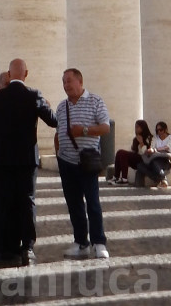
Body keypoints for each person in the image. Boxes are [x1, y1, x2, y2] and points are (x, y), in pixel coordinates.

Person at [0, 56, 58, 268]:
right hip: (26, 161)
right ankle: (27, 249)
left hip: (2, 160)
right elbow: (53, 121)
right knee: (27, 203)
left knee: (0, 203)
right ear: (26, 74)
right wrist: (46, 104)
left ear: (8, 74)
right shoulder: (34, 96)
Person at [55, 67, 110, 260]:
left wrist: (84, 131)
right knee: (74, 204)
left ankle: (99, 242)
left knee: (92, 203)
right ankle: (81, 243)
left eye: (69, 81)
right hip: (66, 162)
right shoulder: (62, 106)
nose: (66, 85)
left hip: (87, 161)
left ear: (80, 81)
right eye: (63, 82)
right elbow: (58, 131)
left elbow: (105, 127)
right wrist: (58, 153)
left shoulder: (96, 101)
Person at [136, 120, 171, 187]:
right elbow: (152, 147)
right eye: (157, 130)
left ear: (165, 130)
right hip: (156, 157)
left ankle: (162, 179)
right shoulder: (155, 138)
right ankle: (160, 179)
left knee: (155, 163)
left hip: (168, 159)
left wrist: (155, 150)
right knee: (140, 165)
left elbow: (166, 148)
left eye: (161, 130)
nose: (159, 132)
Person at [113, 119, 151, 183]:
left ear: (142, 127)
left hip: (144, 159)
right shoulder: (136, 138)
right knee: (120, 152)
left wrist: (141, 143)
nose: (136, 129)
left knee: (123, 153)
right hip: (136, 159)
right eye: (135, 127)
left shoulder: (149, 138)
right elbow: (133, 151)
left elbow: (146, 153)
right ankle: (116, 176)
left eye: (137, 127)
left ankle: (124, 178)